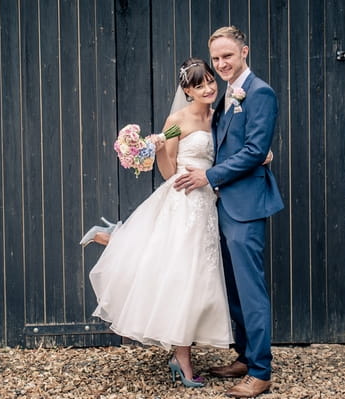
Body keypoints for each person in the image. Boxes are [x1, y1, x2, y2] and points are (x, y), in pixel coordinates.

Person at [83, 58, 234, 388]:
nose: (208, 88)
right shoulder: (178, 121)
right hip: (184, 203)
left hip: (208, 203)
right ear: (186, 90)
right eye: (198, 85)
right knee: (184, 276)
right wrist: (161, 146)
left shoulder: (219, 115)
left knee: (200, 277)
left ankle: (113, 236)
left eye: (210, 81)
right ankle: (182, 360)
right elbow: (168, 172)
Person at [173, 26, 284, 398]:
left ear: (244, 52)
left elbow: (254, 150)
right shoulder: (223, 96)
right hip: (222, 205)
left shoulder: (259, 92)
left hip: (246, 205)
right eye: (216, 58)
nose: (221, 64)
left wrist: (209, 175)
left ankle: (261, 371)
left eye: (227, 56)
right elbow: (223, 142)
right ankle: (244, 355)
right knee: (233, 289)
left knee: (251, 290)